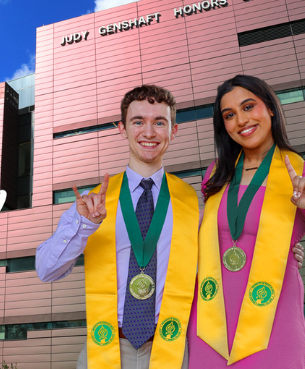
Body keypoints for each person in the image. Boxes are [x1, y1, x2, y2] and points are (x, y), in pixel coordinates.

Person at [187, 74, 305, 368]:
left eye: (249, 107)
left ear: (270, 108)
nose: (241, 120)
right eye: (230, 115)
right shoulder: (216, 174)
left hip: (272, 323)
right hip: (209, 324)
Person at [36, 85, 200, 368]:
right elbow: (46, 270)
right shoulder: (93, 204)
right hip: (106, 344)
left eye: (159, 122)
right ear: (122, 129)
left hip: (171, 346)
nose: (148, 132)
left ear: (173, 130)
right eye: (138, 121)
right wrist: (84, 225)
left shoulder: (191, 202)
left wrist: (288, 252)